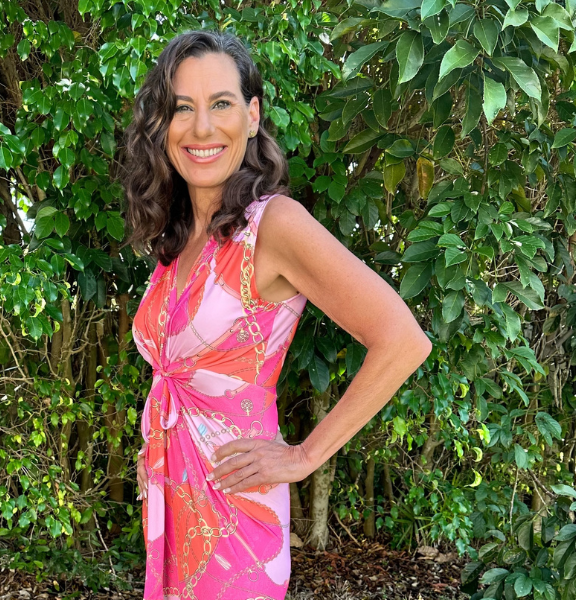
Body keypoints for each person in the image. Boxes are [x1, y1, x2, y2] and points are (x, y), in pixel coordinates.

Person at [121, 30, 432, 600]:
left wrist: (304, 456)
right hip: (174, 507)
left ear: (252, 115)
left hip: (235, 519)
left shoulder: (273, 226)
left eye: (221, 103)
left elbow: (403, 340)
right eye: (183, 108)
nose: (202, 127)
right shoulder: (178, 240)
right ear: (163, 126)